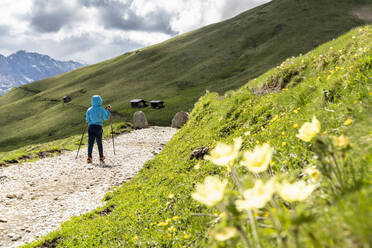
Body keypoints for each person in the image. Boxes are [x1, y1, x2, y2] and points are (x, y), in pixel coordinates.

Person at [85, 95, 111, 163]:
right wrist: (108, 111)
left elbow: (87, 120)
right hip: (98, 127)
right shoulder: (101, 109)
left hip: (91, 127)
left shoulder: (89, 109)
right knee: (99, 142)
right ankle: (101, 156)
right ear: (100, 101)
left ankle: (89, 157)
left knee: (90, 143)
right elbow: (106, 118)